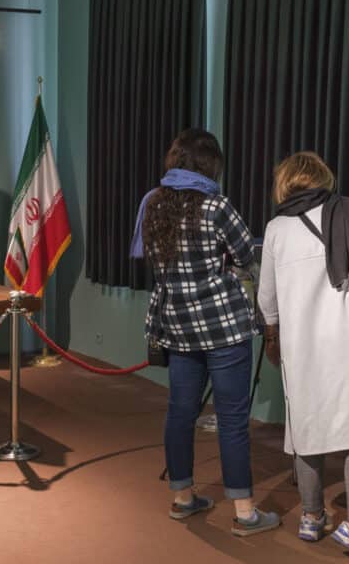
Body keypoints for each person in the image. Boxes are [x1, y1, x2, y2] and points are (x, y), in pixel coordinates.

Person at [131, 128, 281, 535]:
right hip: (223, 326)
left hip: (177, 327)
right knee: (232, 420)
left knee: (180, 412)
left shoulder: (153, 204)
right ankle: (246, 513)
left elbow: (152, 259)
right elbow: (247, 255)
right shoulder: (217, 205)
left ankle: (183, 499)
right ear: (210, 164)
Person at [257, 151, 349, 564]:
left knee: (307, 426)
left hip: (303, 348)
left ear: (285, 183)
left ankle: (311, 515)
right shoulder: (348, 212)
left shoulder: (277, 230)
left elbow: (267, 296)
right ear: (323, 179)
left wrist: (272, 337)